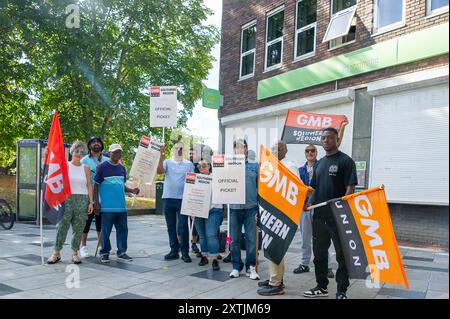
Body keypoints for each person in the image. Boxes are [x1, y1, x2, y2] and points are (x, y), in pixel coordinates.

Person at [303, 127, 357, 299]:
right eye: (323, 138)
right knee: (319, 254)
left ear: (336, 139)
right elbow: (313, 188)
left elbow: (350, 187)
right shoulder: (319, 164)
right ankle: (321, 286)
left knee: (342, 254)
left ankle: (341, 290)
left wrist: (343, 202)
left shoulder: (346, 161)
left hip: (338, 217)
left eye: (329, 138)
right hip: (319, 216)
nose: (326, 140)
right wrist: (308, 203)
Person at [257, 140, 299, 296]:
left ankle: (276, 284)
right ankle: (274, 279)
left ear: (285, 150)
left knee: (275, 246)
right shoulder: (269, 165)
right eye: (273, 148)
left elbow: (296, 188)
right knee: (270, 245)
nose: (276, 151)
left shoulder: (290, 166)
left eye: (279, 148)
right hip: (270, 211)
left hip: (281, 214)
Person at [47, 141, 93, 264]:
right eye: (76, 151)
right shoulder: (65, 166)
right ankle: (56, 253)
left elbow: (89, 185)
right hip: (67, 199)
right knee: (62, 226)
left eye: (82, 152)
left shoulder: (86, 168)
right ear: (72, 152)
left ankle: (74, 253)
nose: (79, 154)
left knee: (78, 227)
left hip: (82, 200)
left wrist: (90, 202)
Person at [294, 144, 334, 279]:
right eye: (307, 151)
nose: (310, 152)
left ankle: (326, 266)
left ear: (316, 153)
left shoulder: (322, 166)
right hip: (305, 208)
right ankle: (304, 264)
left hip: (319, 207)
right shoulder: (299, 170)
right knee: (305, 238)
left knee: (322, 239)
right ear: (305, 153)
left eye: (312, 150)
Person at [94, 144, 139, 263]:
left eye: (119, 152)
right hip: (107, 207)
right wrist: (96, 204)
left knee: (123, 230)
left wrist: (132, 190)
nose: (117, 154)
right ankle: (104, 252)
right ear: (109, 153)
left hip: (121, 207)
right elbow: (96, 185)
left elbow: (121, 186)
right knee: (106, 231)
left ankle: (122, 252)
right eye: (115, 152)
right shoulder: (102, 167)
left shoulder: (122, 169)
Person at [157, 142, 195, 263]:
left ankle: (185, 252)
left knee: (183, 226)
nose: (178, 149)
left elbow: (193, 182)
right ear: (173, 149)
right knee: (171, 226)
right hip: (168, 198)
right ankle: (174, 250)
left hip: (183, 199)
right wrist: (161, 154)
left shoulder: (189, 164)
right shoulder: (167, 162)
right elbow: (159, 171)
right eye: (176, 147)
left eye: (181, 148)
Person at [229, 139, 259, 280]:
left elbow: (261, 187)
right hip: (234, 208)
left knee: (251, 239)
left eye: (243, 147)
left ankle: (251, 267)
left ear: (246, 149)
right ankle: (236, 267)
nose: (240, 149)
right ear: (234, 150)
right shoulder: (228, 165)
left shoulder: (254, 166)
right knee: (234, 240)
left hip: (251, 208)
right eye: (237, 147)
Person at [79, 136, 108, 258]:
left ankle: (101, 246)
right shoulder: (84, 161)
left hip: (103, 196)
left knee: (101, 222)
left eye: (98, 142)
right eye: (93, 142)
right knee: (86, 221)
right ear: (89, 146)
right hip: (88, 196)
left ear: (101, 145)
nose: (96, 144)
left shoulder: (107, 160)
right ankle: (83, 246)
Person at [194, 159, 223, 271]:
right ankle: (204, 256)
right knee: (201, 235)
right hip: (199, 210)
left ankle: (215, 259)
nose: (202, 167)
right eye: (199, 165)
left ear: (210, 166)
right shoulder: (194, 179)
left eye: (204, 165)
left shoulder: (216, 177)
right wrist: (191, 210)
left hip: (214, 209)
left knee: (211, 234)